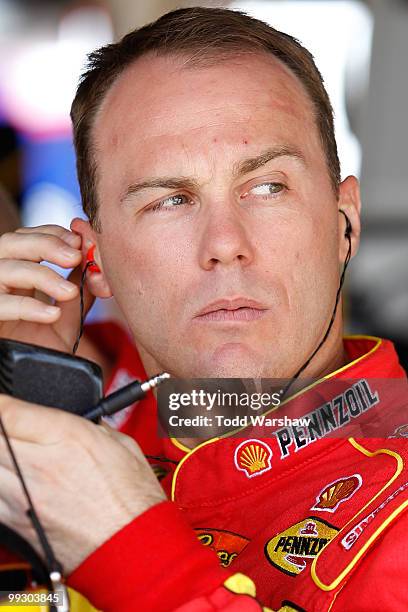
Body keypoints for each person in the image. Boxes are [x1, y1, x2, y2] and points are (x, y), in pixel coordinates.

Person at [0, 6, 407, 611]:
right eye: (169, 200)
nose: (223, 245)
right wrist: (22, 420)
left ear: (345, 222)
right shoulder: (82, 443)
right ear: (96, 260)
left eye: (267, 187)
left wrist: (128, 548)